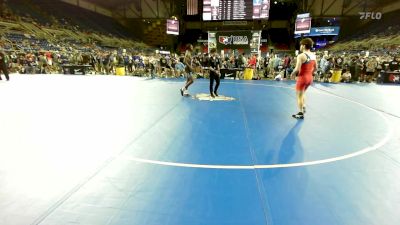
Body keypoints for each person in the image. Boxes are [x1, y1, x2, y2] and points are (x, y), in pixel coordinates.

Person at [290, 38, 317, 119]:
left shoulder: (301, 56)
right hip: (309, 78)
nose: (300, 47)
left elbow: (297, 69)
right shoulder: (313, 55)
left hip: (302, 78)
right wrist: (310, 74)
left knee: (299, 96)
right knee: (303, 93)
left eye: (301, 45)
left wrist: (292, 74)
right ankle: (304, 106)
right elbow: (316, 68)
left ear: (304, 46)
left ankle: (301, 113)